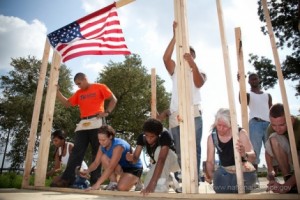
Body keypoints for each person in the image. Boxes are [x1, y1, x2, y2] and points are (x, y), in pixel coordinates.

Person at [52, 72, 117, 187]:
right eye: (77, 84)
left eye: (79, 83)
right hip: (83, 123)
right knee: (77, 151)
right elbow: (67, 104)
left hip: (97, 121)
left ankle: (95, 182)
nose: (78, 86)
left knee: (97, 152)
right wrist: (57, 92)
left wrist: (106, 112)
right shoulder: (78, 93)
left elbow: (113, 99)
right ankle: (67, 179)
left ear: (85, 79)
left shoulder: (100, 87)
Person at [163, 21, 207, 182]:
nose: (186, 55)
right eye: (183, 52)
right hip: (176, 112)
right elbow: (166, 58)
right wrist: (175, 37)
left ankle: (195, 177)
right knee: (180, 148)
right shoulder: (175, 70)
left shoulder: (199, 70)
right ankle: (183, 178)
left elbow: (199, 83)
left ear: (194, 55)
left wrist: (192, 64)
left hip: (193, 111)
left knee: (194, 146)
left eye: (190, 53)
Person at [205, 108, 257, 193]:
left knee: (238, 188)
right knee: (221, 188)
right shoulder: (212, 137)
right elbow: (210, 161)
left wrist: (245, 154)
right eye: (219, 125)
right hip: (225, 170)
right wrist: (210, 176)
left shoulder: (240, 133)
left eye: (225, 126)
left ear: (231, 125)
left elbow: (253, 157)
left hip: (243, 169)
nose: (221, 128)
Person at [126, 118, 181, 195]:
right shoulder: (142, 137)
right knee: (146, 185)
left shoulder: (164, 135)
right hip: (159, 164)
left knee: (158, 150)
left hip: (174, 163)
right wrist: (131, 158)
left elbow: (161, 160)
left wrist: (153, 184)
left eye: (152, 137)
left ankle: (162, 188)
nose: (148, 139)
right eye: (147, 135)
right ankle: (169, 178)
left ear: (158, 135)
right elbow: (135, 159)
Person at [80, 125, 143, 191]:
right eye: (99, 140)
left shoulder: (118, 146)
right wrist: (87, 171)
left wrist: (97, 184)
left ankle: (137, 181)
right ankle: (113, 183)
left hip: (133, 168)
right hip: (121, 167)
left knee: (121, 188)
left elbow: (111, 167)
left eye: (103, 140)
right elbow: (96, 163)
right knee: (104, 158)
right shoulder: (102, 146)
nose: (100, 142)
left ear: (110, 137)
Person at [238, 73, 272, 180]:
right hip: (255, 124)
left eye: (255, 78)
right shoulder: (248, 94)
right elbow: (241, 101)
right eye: (251, 79)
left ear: (259, 79)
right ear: (248, 82)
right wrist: (240, 84)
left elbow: (271, 110)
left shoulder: (267, 95)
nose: (253, 80)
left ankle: (272, 176)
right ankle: (254, 178)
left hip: (268, 124)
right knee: (254, 151)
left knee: (271, 149)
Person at [265, 103, 300, 193]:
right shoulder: (271, 128)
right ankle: (288, 178)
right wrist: (271, 175)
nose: (277, 129)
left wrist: (286, 186)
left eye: (281, 125)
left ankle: (290, 184)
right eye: (274, 125)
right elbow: (268, 151)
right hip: (289, 160)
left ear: (290, 119)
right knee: (273, 138)